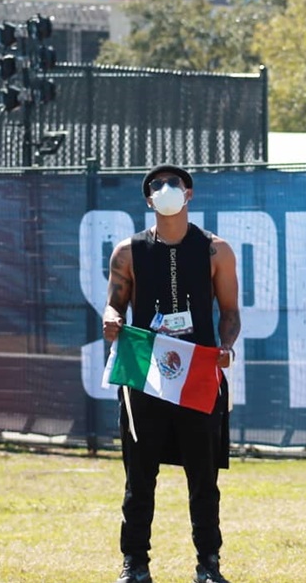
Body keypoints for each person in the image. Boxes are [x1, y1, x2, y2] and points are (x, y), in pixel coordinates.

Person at [102, 163, 240, 583]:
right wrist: (111, 320)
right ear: (148, 200)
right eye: (156, 185)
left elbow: (230, 312)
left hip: (198, 372)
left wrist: (226, 346)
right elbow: (114, 306)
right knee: (139, 477)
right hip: (146, 373)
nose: (165, 189)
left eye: (173, 183)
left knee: (204, 478)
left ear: (189, 193)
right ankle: (135, 565)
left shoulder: (216, 249)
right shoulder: (129, 251)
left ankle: (208, 565)